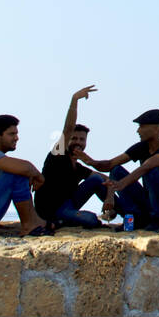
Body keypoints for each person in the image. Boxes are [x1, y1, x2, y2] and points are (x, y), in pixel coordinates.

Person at [34, 85, 112, 229]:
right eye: (74, 139)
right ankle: (61, 222)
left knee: (96, 179)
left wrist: (110, 198)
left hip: (68, 204)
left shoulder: (78, 166)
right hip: (51, 211)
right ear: (67, 140)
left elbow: (105, 179)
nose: (78, 142)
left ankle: (127, 215)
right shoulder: (58, 154)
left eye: (82, 140)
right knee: (91, 220)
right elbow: (68, 128)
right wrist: (75, 100)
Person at [101, 109, 159, 230]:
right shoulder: (142, 147)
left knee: (150, 170)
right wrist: (87, 160)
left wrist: (121, 184)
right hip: (149, 204)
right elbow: (110, 164)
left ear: (156, 128)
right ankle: (133, 219)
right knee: (116, 171)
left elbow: (147, 166)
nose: (138, 131)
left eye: (142, 126)